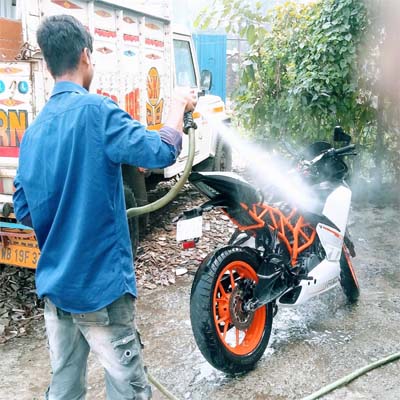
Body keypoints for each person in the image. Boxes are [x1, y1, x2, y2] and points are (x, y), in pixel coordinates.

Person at [13, 14, 196, 400]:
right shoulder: (97, 112)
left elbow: (24, 210)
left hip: (57, 291)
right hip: (100, 291)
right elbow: (161, 152)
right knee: (128, 391)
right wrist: (177, 105)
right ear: (85, 56)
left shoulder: (33, 133)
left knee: (63, 389)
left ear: (48, 64)